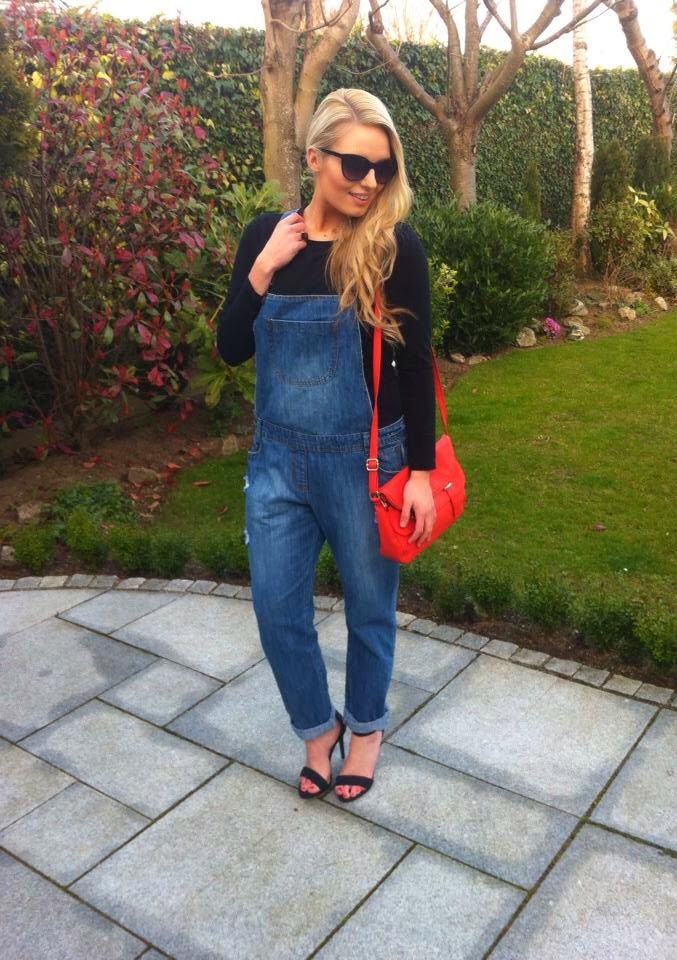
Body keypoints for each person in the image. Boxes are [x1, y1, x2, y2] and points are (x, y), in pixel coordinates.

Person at [216, 88, 436, 802]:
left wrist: (420, 472)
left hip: (365, 463)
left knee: (370, 608)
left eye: (382, 168)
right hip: (277, 463)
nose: (369, 182)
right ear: (314, 157)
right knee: (278, 612)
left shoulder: (393, 247)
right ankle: (319, 730)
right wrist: (261, 271)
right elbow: (230, 347)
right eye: (354, 164)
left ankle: (365, 729)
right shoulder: (266, 235)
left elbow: (416, 364)